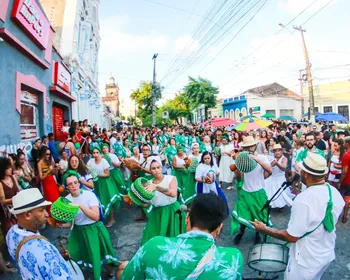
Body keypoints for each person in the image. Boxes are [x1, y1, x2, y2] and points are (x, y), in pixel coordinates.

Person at [252, 153, 345, 280]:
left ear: (306, 174)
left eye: (301, 170)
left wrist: (264, 229)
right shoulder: (334, 192)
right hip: (326, 254)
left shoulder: (304, 200)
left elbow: (291, 236)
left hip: (306, 260)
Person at [118, 193, 244, 280]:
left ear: (187, 218)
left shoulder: (153, 245)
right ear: (219, 228)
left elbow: (126, 277)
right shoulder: (233, 258)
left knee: (122, 268)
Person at [58, 172, 118, 280]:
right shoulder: (66, 200)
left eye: (75, 182)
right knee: (77, 254)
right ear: (67, 187)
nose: (73, 186)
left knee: (101, 254)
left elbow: (96, 216)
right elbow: (72, 221)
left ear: (79, 183)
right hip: (78, 231)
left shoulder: (89, 195)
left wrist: (80, 205)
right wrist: (63, 225)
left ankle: (110, 273)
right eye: (70, 184)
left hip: (94, 229)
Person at [6, 188, 72, 279]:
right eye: (41, 210)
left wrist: (56, 255)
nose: (47, 214)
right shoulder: (43, 251)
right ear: (27, 215)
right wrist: (51, 258)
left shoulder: (12, 233)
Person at [231, 136, 272, 245]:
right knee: (243, 214)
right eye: (247, 146)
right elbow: (239, 178)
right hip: (245, 191)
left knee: (259, 215)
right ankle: (241, 232)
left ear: (255, 145)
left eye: (252, 145)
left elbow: (269, 170)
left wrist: (257, 160)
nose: (250, 148)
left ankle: (258, 233)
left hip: (258, 191)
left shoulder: (262, 157)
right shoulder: (241, 158)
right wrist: (237, 172)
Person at [139, 159, 185, 245]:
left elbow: (173, 193)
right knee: (154, 236)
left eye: (158, 167)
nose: (156, 170)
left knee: (173, 236)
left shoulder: (171, 178)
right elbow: (148, 203)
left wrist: (157, 187)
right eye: (153, 168)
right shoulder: (148, 184)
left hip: (172, 211)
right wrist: (136, 200)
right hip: (157, 212)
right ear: (150, 170)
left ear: (161, 168)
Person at [87, 146, 120, 227]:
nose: (95, 154)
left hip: (105, 183)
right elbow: (87, 168)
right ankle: (100, 218)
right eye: (94, 153)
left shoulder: (104, 161)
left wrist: (97, 174)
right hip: (96, 183)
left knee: (108, 200)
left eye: (97, 152)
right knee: (98, 201)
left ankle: (112, 219)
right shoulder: (90, 161)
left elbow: (107, 174)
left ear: (100, 153)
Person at [265, 144, 294, 209]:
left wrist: (277, 163)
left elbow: (284, 168)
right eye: (275, 151)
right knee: (270, 191)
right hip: (272, 177)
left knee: (281, 193)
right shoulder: (272, 158)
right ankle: (271, 203)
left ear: (281, 151)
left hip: (280, 178)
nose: (277, 152)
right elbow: (269, 168)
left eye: (279, 150)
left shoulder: (284, 158)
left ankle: (281, 206)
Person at [37, 147, 60, 215]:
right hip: (46, 183)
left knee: (56, 198)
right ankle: (53, 215)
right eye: (47, 154)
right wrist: (49, 171)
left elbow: (53, 173)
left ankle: (59, 213)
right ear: (43, 154)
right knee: (50, 199)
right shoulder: (39, 163)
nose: (48, 156)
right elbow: (41, 177)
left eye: (49, 154)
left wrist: (56, 169)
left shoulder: (48, 161)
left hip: (52, 181)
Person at [0, 157, 20, 235]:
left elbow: (18, 190)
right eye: (7, 168)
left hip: (18, 207)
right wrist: (14, 199)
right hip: (8, 213)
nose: (10, 169)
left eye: (10, 167)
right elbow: (3, 201)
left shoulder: (13, 177)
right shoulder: (1, 183)